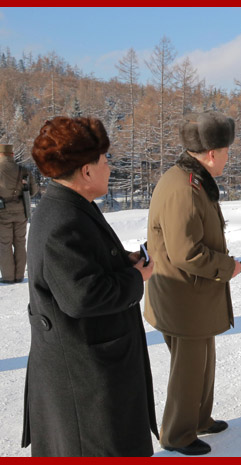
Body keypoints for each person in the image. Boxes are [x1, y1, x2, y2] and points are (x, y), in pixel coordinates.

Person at [22, 117, 157, 456]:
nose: (109, 167)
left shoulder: (72, 207)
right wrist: (136, 278)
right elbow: (82, 296)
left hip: (91, 369)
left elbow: (83, 266)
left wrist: (122, 262)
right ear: (86, 171)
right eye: (104, 160)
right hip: (85, 380)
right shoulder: (62, 220)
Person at [144, 111, 241, 456]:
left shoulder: (191, 179)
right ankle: (177, 434)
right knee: (188, 369)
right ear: (212, 153)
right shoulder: (185, 188)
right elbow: (186, 252)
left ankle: (199, 419)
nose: (228, 157)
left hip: (193, 294)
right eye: (227, 151)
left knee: (202, 361)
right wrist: (228, 267)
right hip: (184, 295)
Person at [0, 143, 38, 284]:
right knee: (20, 243)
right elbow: (34, 191)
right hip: (21, 211)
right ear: (12, 154)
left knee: (5, 244)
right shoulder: (23, 170)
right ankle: (19, 275)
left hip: (2, 212)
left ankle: (8, 277)